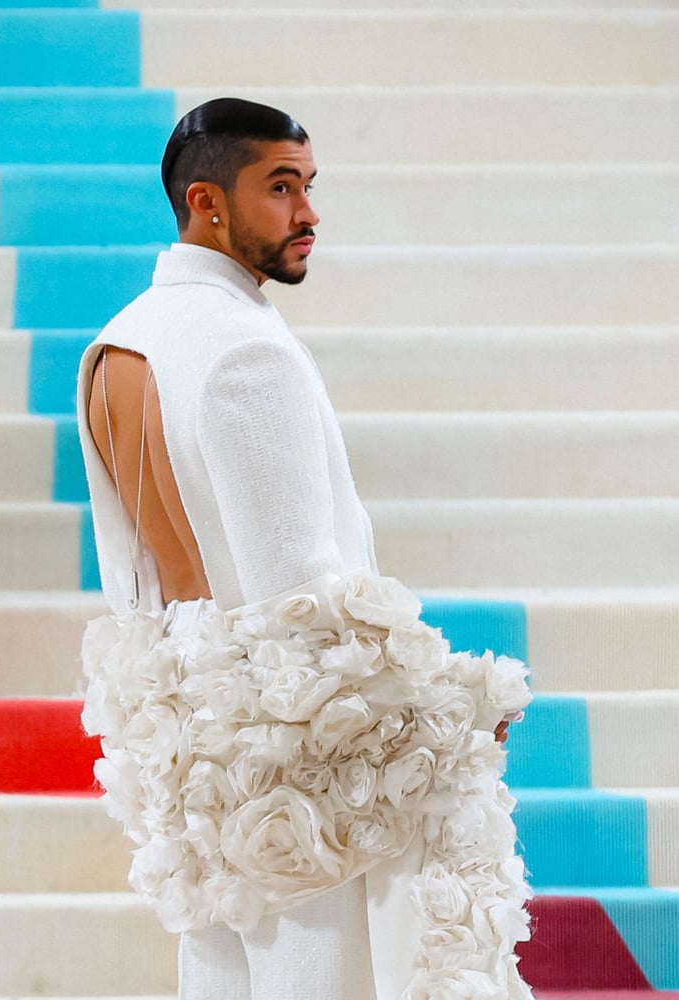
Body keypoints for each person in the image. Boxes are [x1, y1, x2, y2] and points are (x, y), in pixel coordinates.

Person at [77, 98, 533, 999]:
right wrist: (445, 709)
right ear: (207, 201)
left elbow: (144, 588)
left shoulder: (117, 343)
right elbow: (305, 607)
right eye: (281, 188)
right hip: (304, 777)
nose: (309, 214)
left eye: (310, 186)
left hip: (198, 759)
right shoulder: (246, 349)